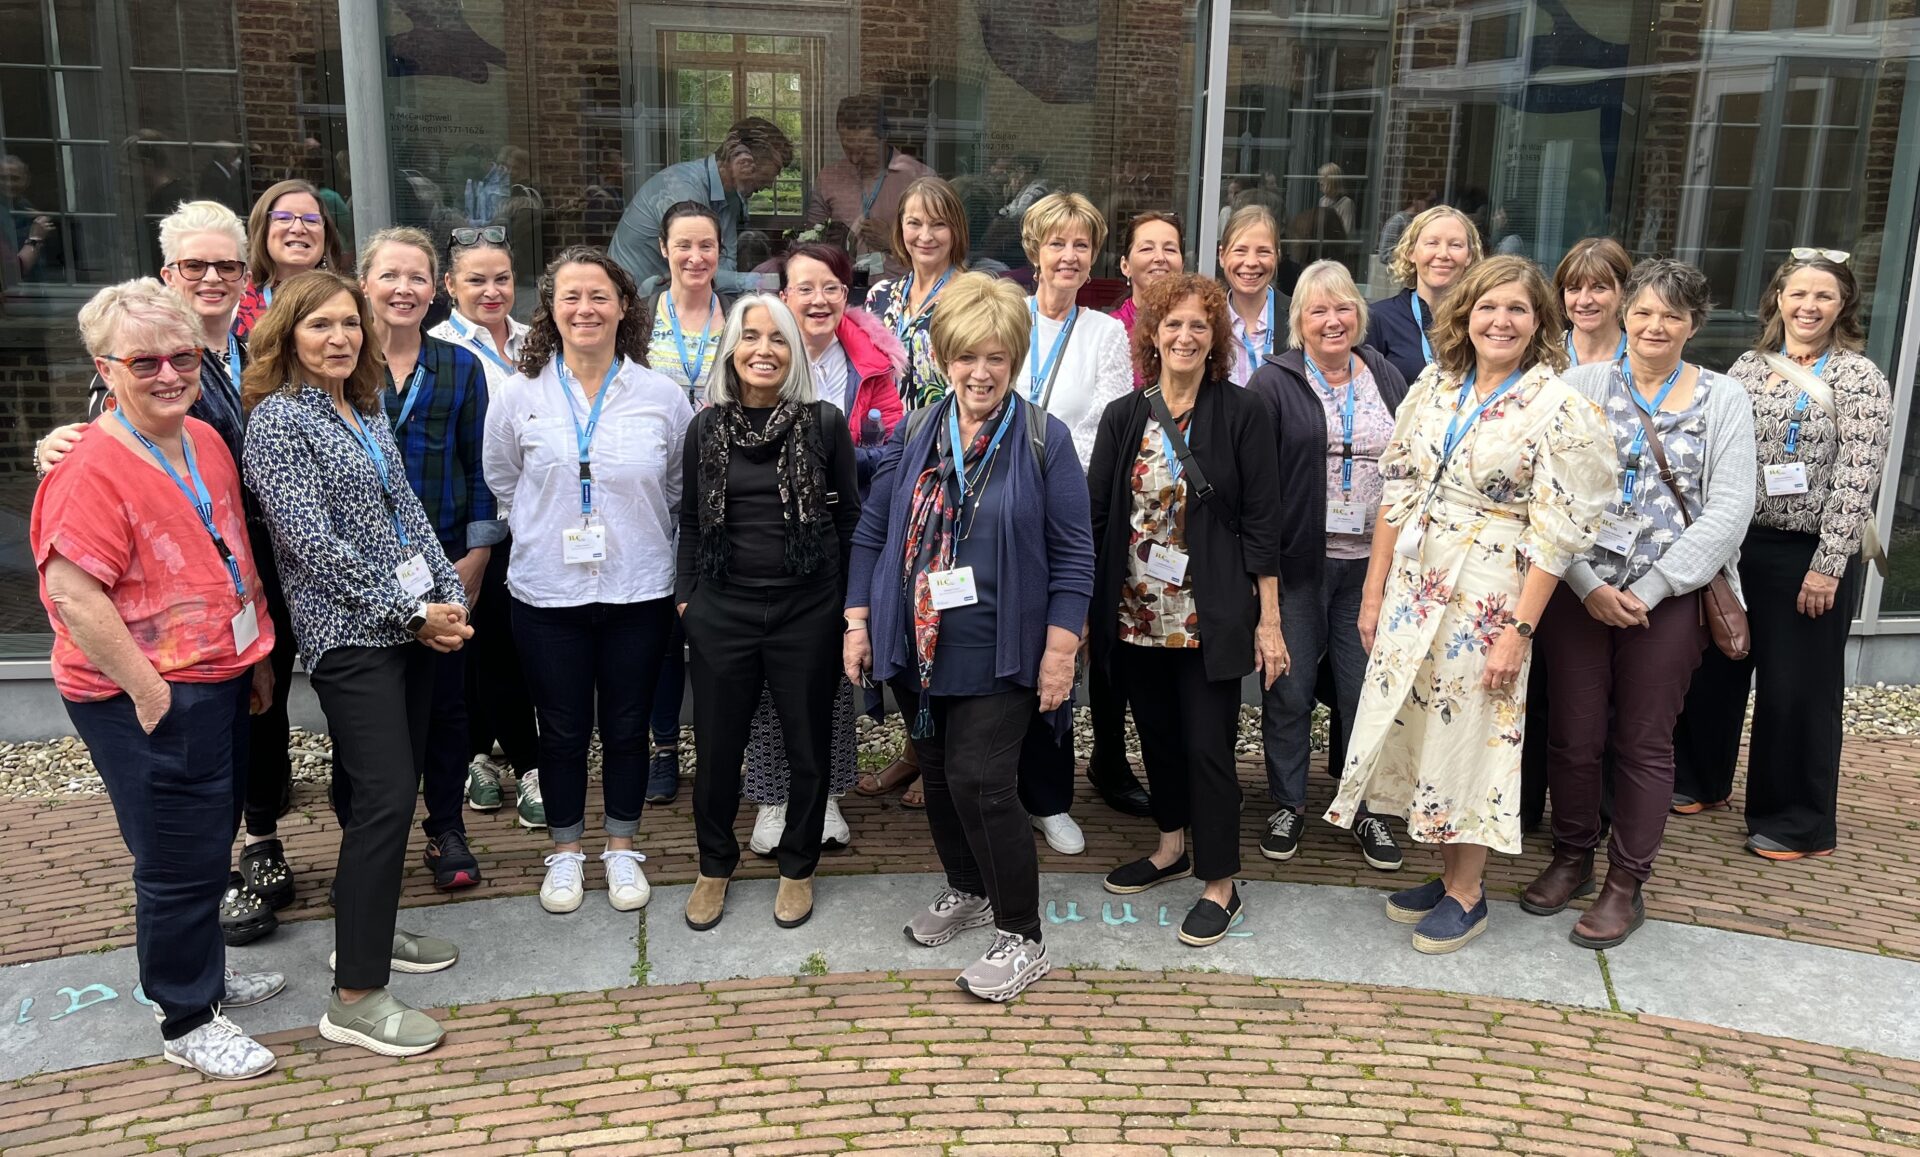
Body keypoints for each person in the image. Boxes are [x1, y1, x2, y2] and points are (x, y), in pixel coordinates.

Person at [1329, 255, 1615, 955]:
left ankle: (1469, 890)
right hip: (1416, 586)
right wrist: (1373, 594)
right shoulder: (1436, 384)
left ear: (1540, 321)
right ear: (1465, 314)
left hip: (1489, 595)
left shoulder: (1557, 405)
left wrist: (1519, 630)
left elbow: (1557, 534)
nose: (1501, 321)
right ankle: (1447, 869)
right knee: (1428, 728)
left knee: (1475, 730)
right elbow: (1397, 487)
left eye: (1518, 309)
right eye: (1488, 307)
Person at [33, 280, 282, 1080]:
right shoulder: (89, 467)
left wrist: (257, 658)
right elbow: (74, 593)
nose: (170, 373)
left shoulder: (203, 439)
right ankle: (186, 1015)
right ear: (106, 368)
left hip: (217, 671)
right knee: (178, 856)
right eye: (146, 361)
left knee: (208, 843)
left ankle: (196, 974)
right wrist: (150, 691)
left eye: (184, 356)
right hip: (147, 691)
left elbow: (230, 550)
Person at [844, 272, 1093, 1002]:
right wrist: (858, 620)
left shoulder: (1047, 438)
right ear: (945, 359)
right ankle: (967, 888)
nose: (980, 373)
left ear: (1014, 360)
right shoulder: (917, 428)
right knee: (940, 774)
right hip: (916, 646)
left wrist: (1060, 651)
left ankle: (1023, 935)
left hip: (1002, 646)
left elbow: (1076, 555)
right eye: (966, 357)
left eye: (996, 358)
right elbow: (873, 529)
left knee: (985, 782)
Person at [242, 270, 467, 1057]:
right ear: (286, 335)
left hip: (410, 627)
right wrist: (411, 611)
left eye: (349, 324)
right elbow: (315, 546)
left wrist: (446, 600)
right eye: (319, 326)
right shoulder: (276, 422)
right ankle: (356, 996)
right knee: (384, 797)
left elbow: (408, 509)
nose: (339, 338)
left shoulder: (362, 405)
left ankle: (359, 933)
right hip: (350, 636)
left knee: (375, 791)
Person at [1527, 258, 1756, 949]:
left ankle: (1626, 880)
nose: (1655, 326)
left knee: (1644, 741)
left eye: (1672, 316)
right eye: (1644, 313)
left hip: (1672, 598)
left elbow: (1730, 509)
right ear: (1624, 316)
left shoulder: (1723, 398)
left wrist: (1651, 587)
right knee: (1572, 733)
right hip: (1579, 591)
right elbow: (1543, 485)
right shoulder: (1580, 383)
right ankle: (1572, 854)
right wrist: (1587, 584)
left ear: (1694, 324)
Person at [482, 247, 692, 915]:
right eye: (571, 296)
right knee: (562, 729)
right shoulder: (519, 393)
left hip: (639, 589)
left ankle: (623, 844)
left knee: (629, 725)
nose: (585, 309)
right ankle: (567, 850)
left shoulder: (661, 394)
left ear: (623, 305)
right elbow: (502, 481)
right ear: (550, 308)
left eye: (598, 296)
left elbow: (679, 486)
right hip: (548, 592)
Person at [1672, 250, 1892, 860]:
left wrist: (1829, 564)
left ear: (1842, 304)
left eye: (1823, 296)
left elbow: (1857, 478)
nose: (1809, 306)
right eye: (1798, 294)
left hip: (1809, 553)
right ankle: (1697, 778)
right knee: (1714, 666)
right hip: (1740, 546)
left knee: (1795, 691)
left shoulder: (1860, 378)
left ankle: (1797, 820)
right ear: (1778, 299)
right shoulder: (1746, 368)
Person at [1088, 273, 1286, 945]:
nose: (1184, 334)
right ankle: (1171, 845)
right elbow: (1095, 519)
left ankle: (1220, 882)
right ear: (1151, 334)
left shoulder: (1242, 412)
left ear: (1215, 338)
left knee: (1209, 749)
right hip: (1135, 614)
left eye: (1199, 324)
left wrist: (1271, 619)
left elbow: (1263, 520)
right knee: (1160, 742)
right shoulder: (1125, 415)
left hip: (1210, 618)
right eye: (1172, 323)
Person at [675, 296, 862, 930]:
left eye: (777, 339)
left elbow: (848, 520)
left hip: (806, 609)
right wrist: (688, 601)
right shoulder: (704, 428)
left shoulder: (825, 423)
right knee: (719, 750)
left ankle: (797, 867)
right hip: (722, 610)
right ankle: (713, 866)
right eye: (750, 337)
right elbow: (693, 525)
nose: (764, 349)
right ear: (731, 348)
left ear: (794, 352)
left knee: (807, 747)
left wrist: (842, 605)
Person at [725, 243, 908, 855]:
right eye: (805, 287)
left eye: (831, 287)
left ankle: (825, 795)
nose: (819, 300)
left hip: (835, 540)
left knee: (828, 679)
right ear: (784, 297)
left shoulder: (874, 361)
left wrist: (835, 462)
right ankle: (775, 801)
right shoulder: (763, 355)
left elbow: (894, 449)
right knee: (770, 687)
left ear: (846, 292)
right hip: (763, 544)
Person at [1246, 260, 1410, 870]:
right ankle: (1288, 803)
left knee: (1362, 690)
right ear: (1299, 323)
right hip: (1298, 567)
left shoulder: (1386, 375)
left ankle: (1362, 806)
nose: (1332, 320)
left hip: (1371, 568)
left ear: (1358, 314)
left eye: (1342, 307)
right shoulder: (1273, 382)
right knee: (1287, 690)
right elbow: (1257, 492)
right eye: (1318, 310)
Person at [359, 227, 499, 890]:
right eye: (390, 275)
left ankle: (447, 828)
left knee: (446, 704)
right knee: (369, 704)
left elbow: (479, 467)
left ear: (435, 288)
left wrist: (475, 554)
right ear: (366, 283)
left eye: (416, 277)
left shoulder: (459, 368)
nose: (403, 289)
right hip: (362, 572)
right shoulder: (340, 364)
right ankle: (367, 835)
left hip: (443, 560)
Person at [428, 225, 542, 829]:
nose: (492, 291)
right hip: (472, 521)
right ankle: (487, 758)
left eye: (502, 279)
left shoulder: (534, 342)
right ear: (450, 286)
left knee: (509, 644)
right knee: (480, 645)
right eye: (476, 280)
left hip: (533, 518)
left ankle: (512, 757)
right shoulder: (439, 347)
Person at [639, 200, 735, 805]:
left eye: (706, 246)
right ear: (664, 251)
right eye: (684, 246)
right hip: (655, 493)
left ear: (720, 252)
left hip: (726, 493)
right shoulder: (641, 320)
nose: (695, 257)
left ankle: (725, 748)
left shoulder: (741, 317)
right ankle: (664, 748)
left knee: (716, 626)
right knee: (659, 629)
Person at [608, 118, 794, 297]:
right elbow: (697, 269)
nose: (770, 184)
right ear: (744, 158)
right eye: (775, 170)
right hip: (635, 304)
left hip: (681, 300)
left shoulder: (731, 198)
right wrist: (768, 281)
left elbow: (722, 269)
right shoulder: (682, 188)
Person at [865, 176, 969, 412]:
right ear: (900, 226)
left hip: (941, 439)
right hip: (884, 439)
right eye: (914, 223)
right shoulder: (879, 296)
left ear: (956, 230)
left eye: (938, 224)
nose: (925, 236)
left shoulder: (972, 299)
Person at [803, 94, 933, 279]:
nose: (854, 159)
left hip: (902, 292)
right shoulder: (828, 178)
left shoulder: (919, 178)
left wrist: (893, 242)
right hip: (841, 290)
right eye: (847, 148)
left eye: (864, 150)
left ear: (884, 137)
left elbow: (943, 248)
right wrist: (830, 241)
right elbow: (810, 242)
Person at [1366, 205, 1482, 388]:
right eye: (1432, 243)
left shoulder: (1483, 320)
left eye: (1455, 245)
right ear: (1410, 252)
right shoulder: (1377, 319)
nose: (1443, 254)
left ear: (1469, 256)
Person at [232, 180, 350, 339]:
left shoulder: (345, 300)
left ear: (326, 234)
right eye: (283, 218)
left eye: (311, 220)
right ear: (263, 230)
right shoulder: (235, 301)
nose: (298, 229)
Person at [1220, 204, 1284, 386]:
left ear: (1277, 256)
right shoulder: (1206, 319)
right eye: (1240, 250)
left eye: (1263, 251)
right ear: (1222, 256)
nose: (1251, 262)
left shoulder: (1299, 317)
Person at [1556, 239, 1632, 368]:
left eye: (1599, 287)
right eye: (1574, 289)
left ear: (1625, 292)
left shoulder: (1643, 360)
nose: (1584, 301)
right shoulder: (1543, 356)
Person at [1113, 211, 1185, 337]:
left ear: (1182, 265)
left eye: (1170, 249)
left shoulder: (1198, 326)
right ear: (1125, 266)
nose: (1160, 258)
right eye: (1146, 249)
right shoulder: (1111, 329)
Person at [1317, 163, 1356, 235]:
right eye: (1320, 179)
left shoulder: (1346, 203)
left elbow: (1347, 233)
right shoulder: (1322, 200)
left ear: (1332, 182)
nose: (1320, 182)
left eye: (1323, 179)